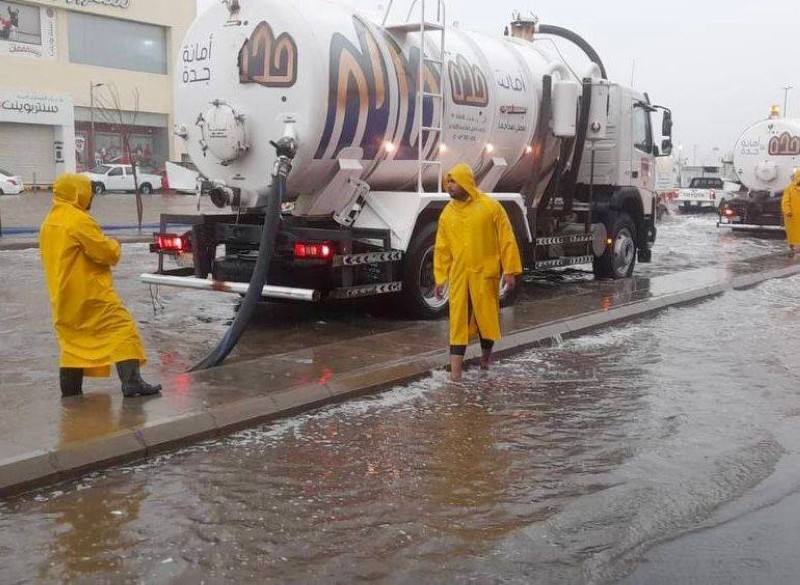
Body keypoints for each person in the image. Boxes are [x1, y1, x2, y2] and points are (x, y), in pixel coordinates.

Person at [39, 173, 162, 398]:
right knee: (123, 330)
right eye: (88, 192)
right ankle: (132, 382)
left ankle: (71, 393)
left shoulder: (49, 222)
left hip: (62, 298)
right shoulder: (78, 220)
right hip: (91, 296)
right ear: (78, 193)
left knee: (71, 344)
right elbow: (104, 253)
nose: (91, 198)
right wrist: (115, 244)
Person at [433, 163, 523, 381]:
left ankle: (485, 362)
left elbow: (506, 239)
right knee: (458, 322)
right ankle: (455, 375)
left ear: (466, 182)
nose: (450, 186)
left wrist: (510, 271)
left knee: (486, 320)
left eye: (454, 182)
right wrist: (440, 278)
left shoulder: (490, 207)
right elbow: (442, 247)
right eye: (448, 182)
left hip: (484, 274)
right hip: (459, 276)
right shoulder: (447, 213)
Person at [781, 169, 800, 255]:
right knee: (792, 234)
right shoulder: (789, 188)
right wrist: (787, 211)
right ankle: (792, 249)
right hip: (792, 216)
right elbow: (785, 201)